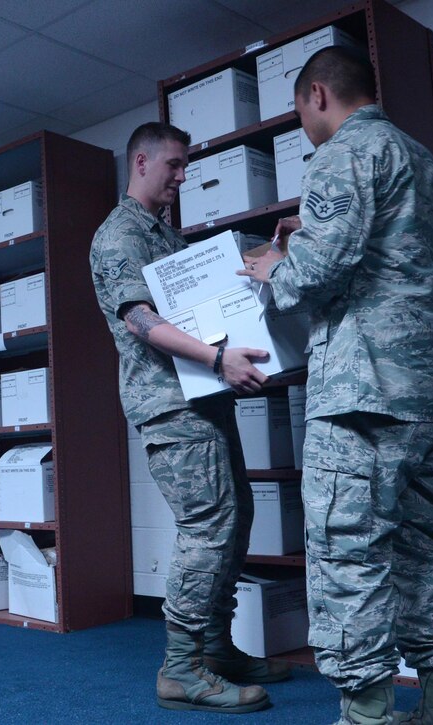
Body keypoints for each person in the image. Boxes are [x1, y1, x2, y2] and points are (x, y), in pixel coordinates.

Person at [241, 46, 433, 725]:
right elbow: (389, 255)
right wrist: (306, 239)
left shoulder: (345, 150)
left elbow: (316, 273)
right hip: (426, 395)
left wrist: (272, 269)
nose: (303, 125)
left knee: (349, 552)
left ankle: (369, 715)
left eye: (299, 111)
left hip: (361, 395)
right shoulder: (420, 158)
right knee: (426, 550)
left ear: (319, 94)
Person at [90, 122, 291, 715]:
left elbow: (217, 273)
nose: (183, 177)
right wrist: (216, 358)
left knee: (235, 520)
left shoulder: (163, 236)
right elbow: (138, 320)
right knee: (207, 528)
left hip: (204, 400)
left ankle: (215, 648)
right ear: (143, 160)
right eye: (175, 166)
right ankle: (180, 669)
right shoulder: (120, 235)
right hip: (172, 405)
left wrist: (271, 247)